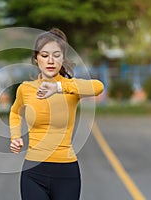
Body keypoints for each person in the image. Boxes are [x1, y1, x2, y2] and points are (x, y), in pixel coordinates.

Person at [9, 28, 104, 200]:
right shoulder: (26, 89)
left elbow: (98, 87)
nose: (50, 61)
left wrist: (59, 87)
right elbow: (15, 112)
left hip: (66, 173)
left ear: (63, 58)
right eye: (44, 55)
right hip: (33, 172)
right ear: (36, 58)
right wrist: (15, 136)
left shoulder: (70, 87)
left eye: (56, 55)